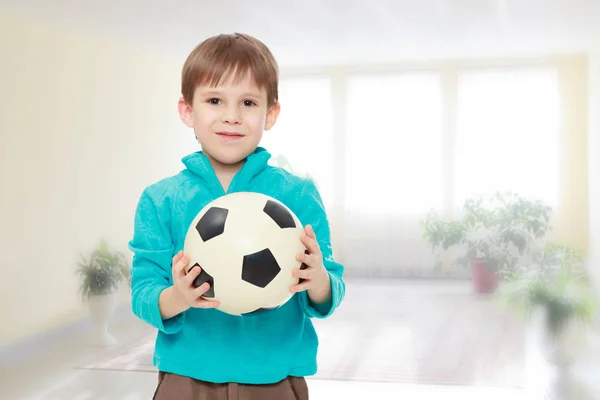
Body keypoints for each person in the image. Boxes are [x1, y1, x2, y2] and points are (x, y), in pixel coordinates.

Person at [128, 32, 346, 399]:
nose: (231, 116)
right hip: (187, 377)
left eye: (248, 102)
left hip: (275, 378)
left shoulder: (298, 195)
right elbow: (143, 293)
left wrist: (319, 279)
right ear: (187, 110)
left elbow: (330, 292)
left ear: (270, 113)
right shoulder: (160, 199)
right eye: (215, 100)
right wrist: (179, 297)